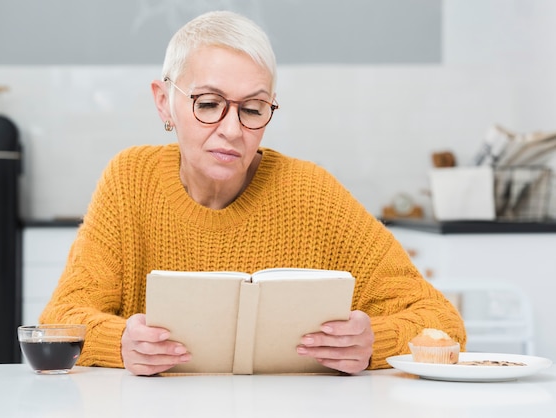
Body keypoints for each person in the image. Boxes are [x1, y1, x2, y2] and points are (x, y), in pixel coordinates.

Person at [40, 10, 465, 376]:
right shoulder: (129, 180)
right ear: (164, 102)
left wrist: (374, 343)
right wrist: (121, 344)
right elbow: (59, 320)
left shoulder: (312, 194)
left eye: (252, 109)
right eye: (208, 103)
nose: (231, 130)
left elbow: (444, 323)